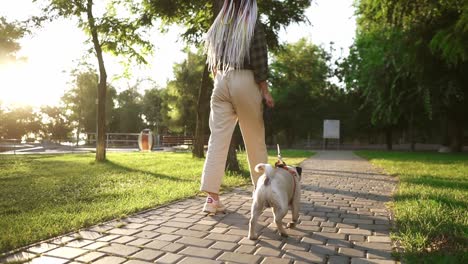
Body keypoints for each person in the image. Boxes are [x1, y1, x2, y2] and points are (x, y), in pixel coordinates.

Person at [200, 0, 274, 214]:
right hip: (245, 80)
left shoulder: (219, 25)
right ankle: (262, 195)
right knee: (254, 140)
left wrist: (221, 81)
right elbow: (259, 61)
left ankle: (212, 200)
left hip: (221, 81)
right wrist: (266, 91)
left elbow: (213, 63)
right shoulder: (252, 25)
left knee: (217, 141)